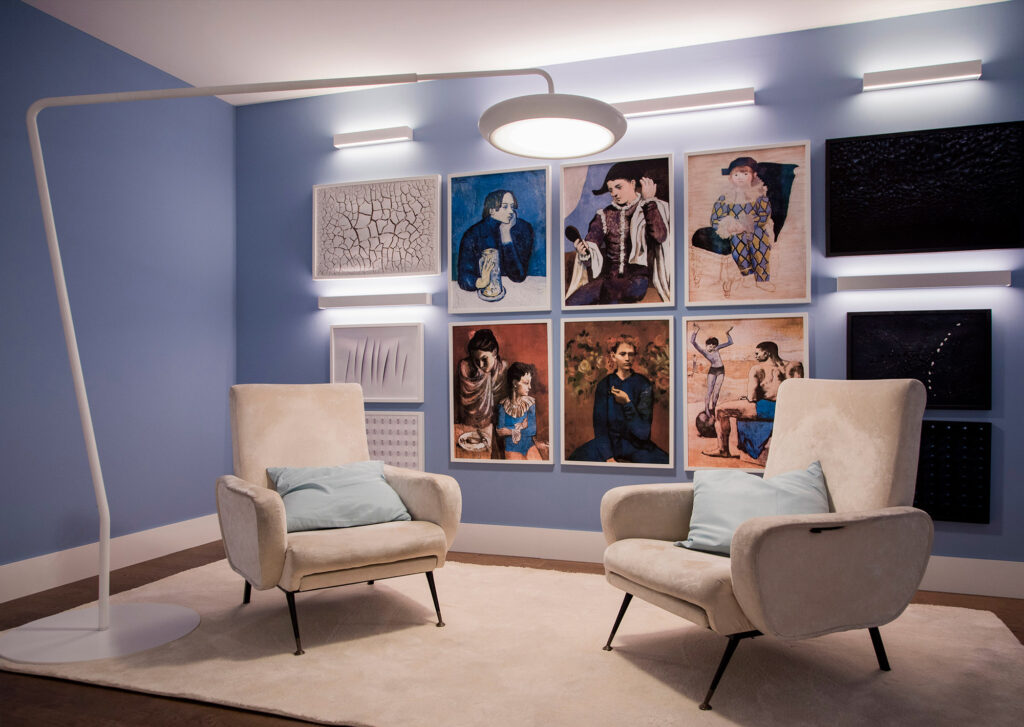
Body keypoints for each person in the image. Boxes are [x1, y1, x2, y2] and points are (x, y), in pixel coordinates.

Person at [566, 161, 671, 306]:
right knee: (572, 301)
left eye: (618, 187)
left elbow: (660, 236)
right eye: (610, 190)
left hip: (637, 281)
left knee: (609, 291)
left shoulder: (649, 207)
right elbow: (592, 248)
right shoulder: (604, 215)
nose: (614, 193)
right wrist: (585, 252)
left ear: (633, 184)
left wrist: (649, 202)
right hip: (609, 279)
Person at [568, 337, 669, 464]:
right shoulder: (604, 384)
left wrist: (627, 403)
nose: (627, 358)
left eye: (631, 354)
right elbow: (600, 428)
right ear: (613, 356)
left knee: (664, 462)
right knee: (575, 460)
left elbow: (643, 432)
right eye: (622, 354)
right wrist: (608, 457)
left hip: (638, 447)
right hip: (608, 445)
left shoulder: (643, 384)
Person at [703, 341, 803, 460]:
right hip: (788, 409)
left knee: (720, 410)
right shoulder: (795, 365)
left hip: (766, 408)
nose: (755, 356)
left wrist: (747, 398)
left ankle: (723, 450)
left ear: (766, 353)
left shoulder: (757, 369)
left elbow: (752, 398)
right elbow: (798, 393)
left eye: (757, 353)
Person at [710, 156, 774, 294]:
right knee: (738, 248)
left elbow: (764, 215)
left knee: (759, 246)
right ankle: (748, 275)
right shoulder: (725, 197)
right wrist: (728, 225)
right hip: (735, 230)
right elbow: (716, 217)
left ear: (754, 175)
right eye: (736, 174)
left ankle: (762, 278)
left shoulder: (759, 195)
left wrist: (746, 225)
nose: (740, 178)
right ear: (730, 177)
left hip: (756, 228)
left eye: (745, 174)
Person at [456, 190, 534, 300]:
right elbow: (464, 277)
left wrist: (506, 234)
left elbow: (518, 276)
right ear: (492, 210)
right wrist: (480, 282)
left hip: (517, 294)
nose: (511, 211)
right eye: (505, 207)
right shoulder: (473, 234)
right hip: (484, 296)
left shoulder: (524, 229)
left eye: (512, 207)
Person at [455, 329, 508, 456]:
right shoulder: (465, 367)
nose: (480, 364)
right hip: (467, 426)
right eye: (476, 360)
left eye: (484, 359)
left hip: (495, 427)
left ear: (494, 353)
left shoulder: (502, 369)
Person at [496, 362, 542, 460]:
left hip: (529, 446)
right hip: (511, 449)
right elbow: (500, 431)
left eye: (530, 383)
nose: (530, 387)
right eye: (526, 383)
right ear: (515, 383)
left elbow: (531, 430)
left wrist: (510, 431)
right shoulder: (503, 406)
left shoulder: (530, 403)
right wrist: (521, 426)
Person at [690, 324, 734, 417]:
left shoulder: (717, 348)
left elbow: (730, 342)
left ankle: (713, 409)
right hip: (712, 371)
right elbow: (692, 342)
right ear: (706, 345)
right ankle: (706, 409)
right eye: (709, 345)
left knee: (716, 392)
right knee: (709, 390)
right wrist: (696, 331)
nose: (712, 347)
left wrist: (727, 333)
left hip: (721, 370)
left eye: (713, 346)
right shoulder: (703, 351)